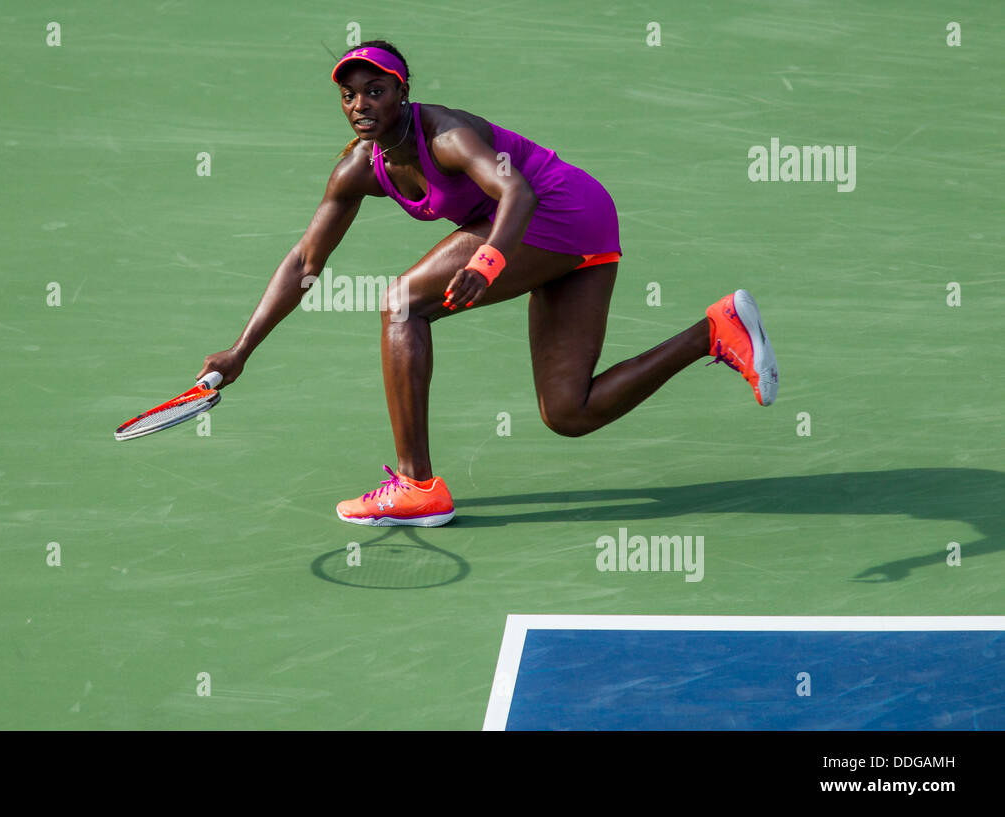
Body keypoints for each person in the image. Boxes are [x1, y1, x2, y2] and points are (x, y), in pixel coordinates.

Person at [199, 40, 777, 527]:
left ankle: (416, 484)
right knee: (569, 412)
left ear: (403, 91)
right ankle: (714, 330)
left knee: (402, 303)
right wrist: (242, 348)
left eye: (375, 90)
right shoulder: (359, 168)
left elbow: (517, 192)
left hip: (563, 209)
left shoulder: (447, 134)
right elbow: (305, 261)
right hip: (561, 235)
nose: (360, 104)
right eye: (349, 94)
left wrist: (489, 261)